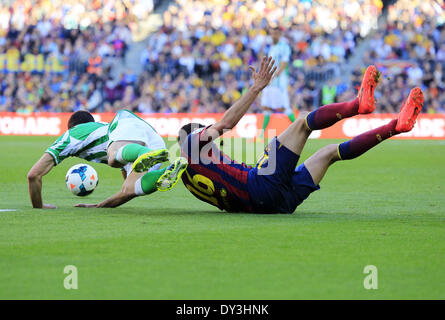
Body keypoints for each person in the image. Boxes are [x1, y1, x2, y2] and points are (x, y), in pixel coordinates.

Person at [148, 60, 423, 213]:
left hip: (274, 205)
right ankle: (356, 105)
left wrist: (114, 199)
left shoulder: (185, 175)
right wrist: (256, 89)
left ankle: (395, 126)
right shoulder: (194, 144)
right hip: (260, 186)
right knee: (303, 122)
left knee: (328, 153)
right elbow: (227, 122)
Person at [27, 109, 187, 208]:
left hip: (126, 124)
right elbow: (125, 191)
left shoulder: (71, 135)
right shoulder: (102, 129)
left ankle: (143, 153)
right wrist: (99, 206)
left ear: (72, 127)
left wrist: (38, 206)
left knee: (112, 158)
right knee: (132, 189)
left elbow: (33, 175)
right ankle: (168, 170)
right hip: (152, 139)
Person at [259, 27, 295, 139]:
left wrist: (275, 76)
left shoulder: (284, 47)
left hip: (278, 83)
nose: (273, 36)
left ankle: (301, 130)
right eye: (272, 33)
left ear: (280, 34)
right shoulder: (272, 47)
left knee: (283, 108)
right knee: (266, 107)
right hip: (270, 82)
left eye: (275, 33)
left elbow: (284, 63)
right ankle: (261, 135)